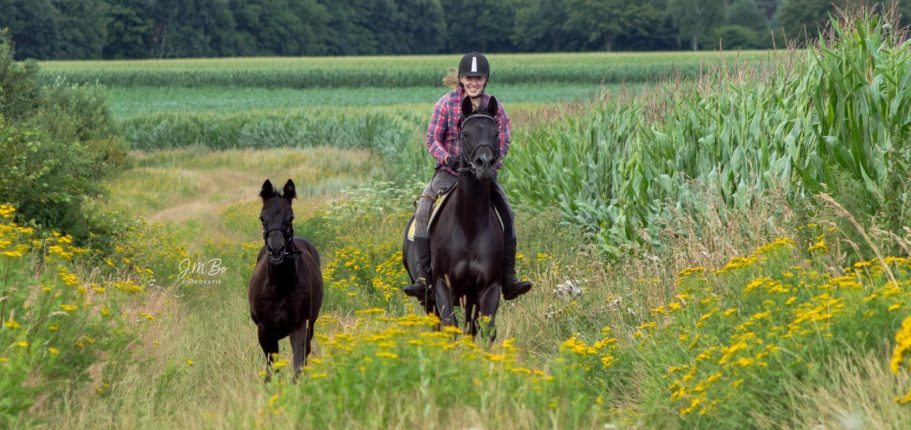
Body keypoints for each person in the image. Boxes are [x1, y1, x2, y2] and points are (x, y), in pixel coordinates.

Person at [404, 52, 532, 301]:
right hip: (450, 173)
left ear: (486, 80)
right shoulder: (445, 104)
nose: (474, 82)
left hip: (483, 175)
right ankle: (423, 277)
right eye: (469, 78)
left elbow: (504, 139)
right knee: (422, 209)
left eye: (479, 78)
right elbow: (432, 139)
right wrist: (446, 158)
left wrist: (494, 159)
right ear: (461, 79)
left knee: (507, 212)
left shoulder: (495, 107)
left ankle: (508, 277)